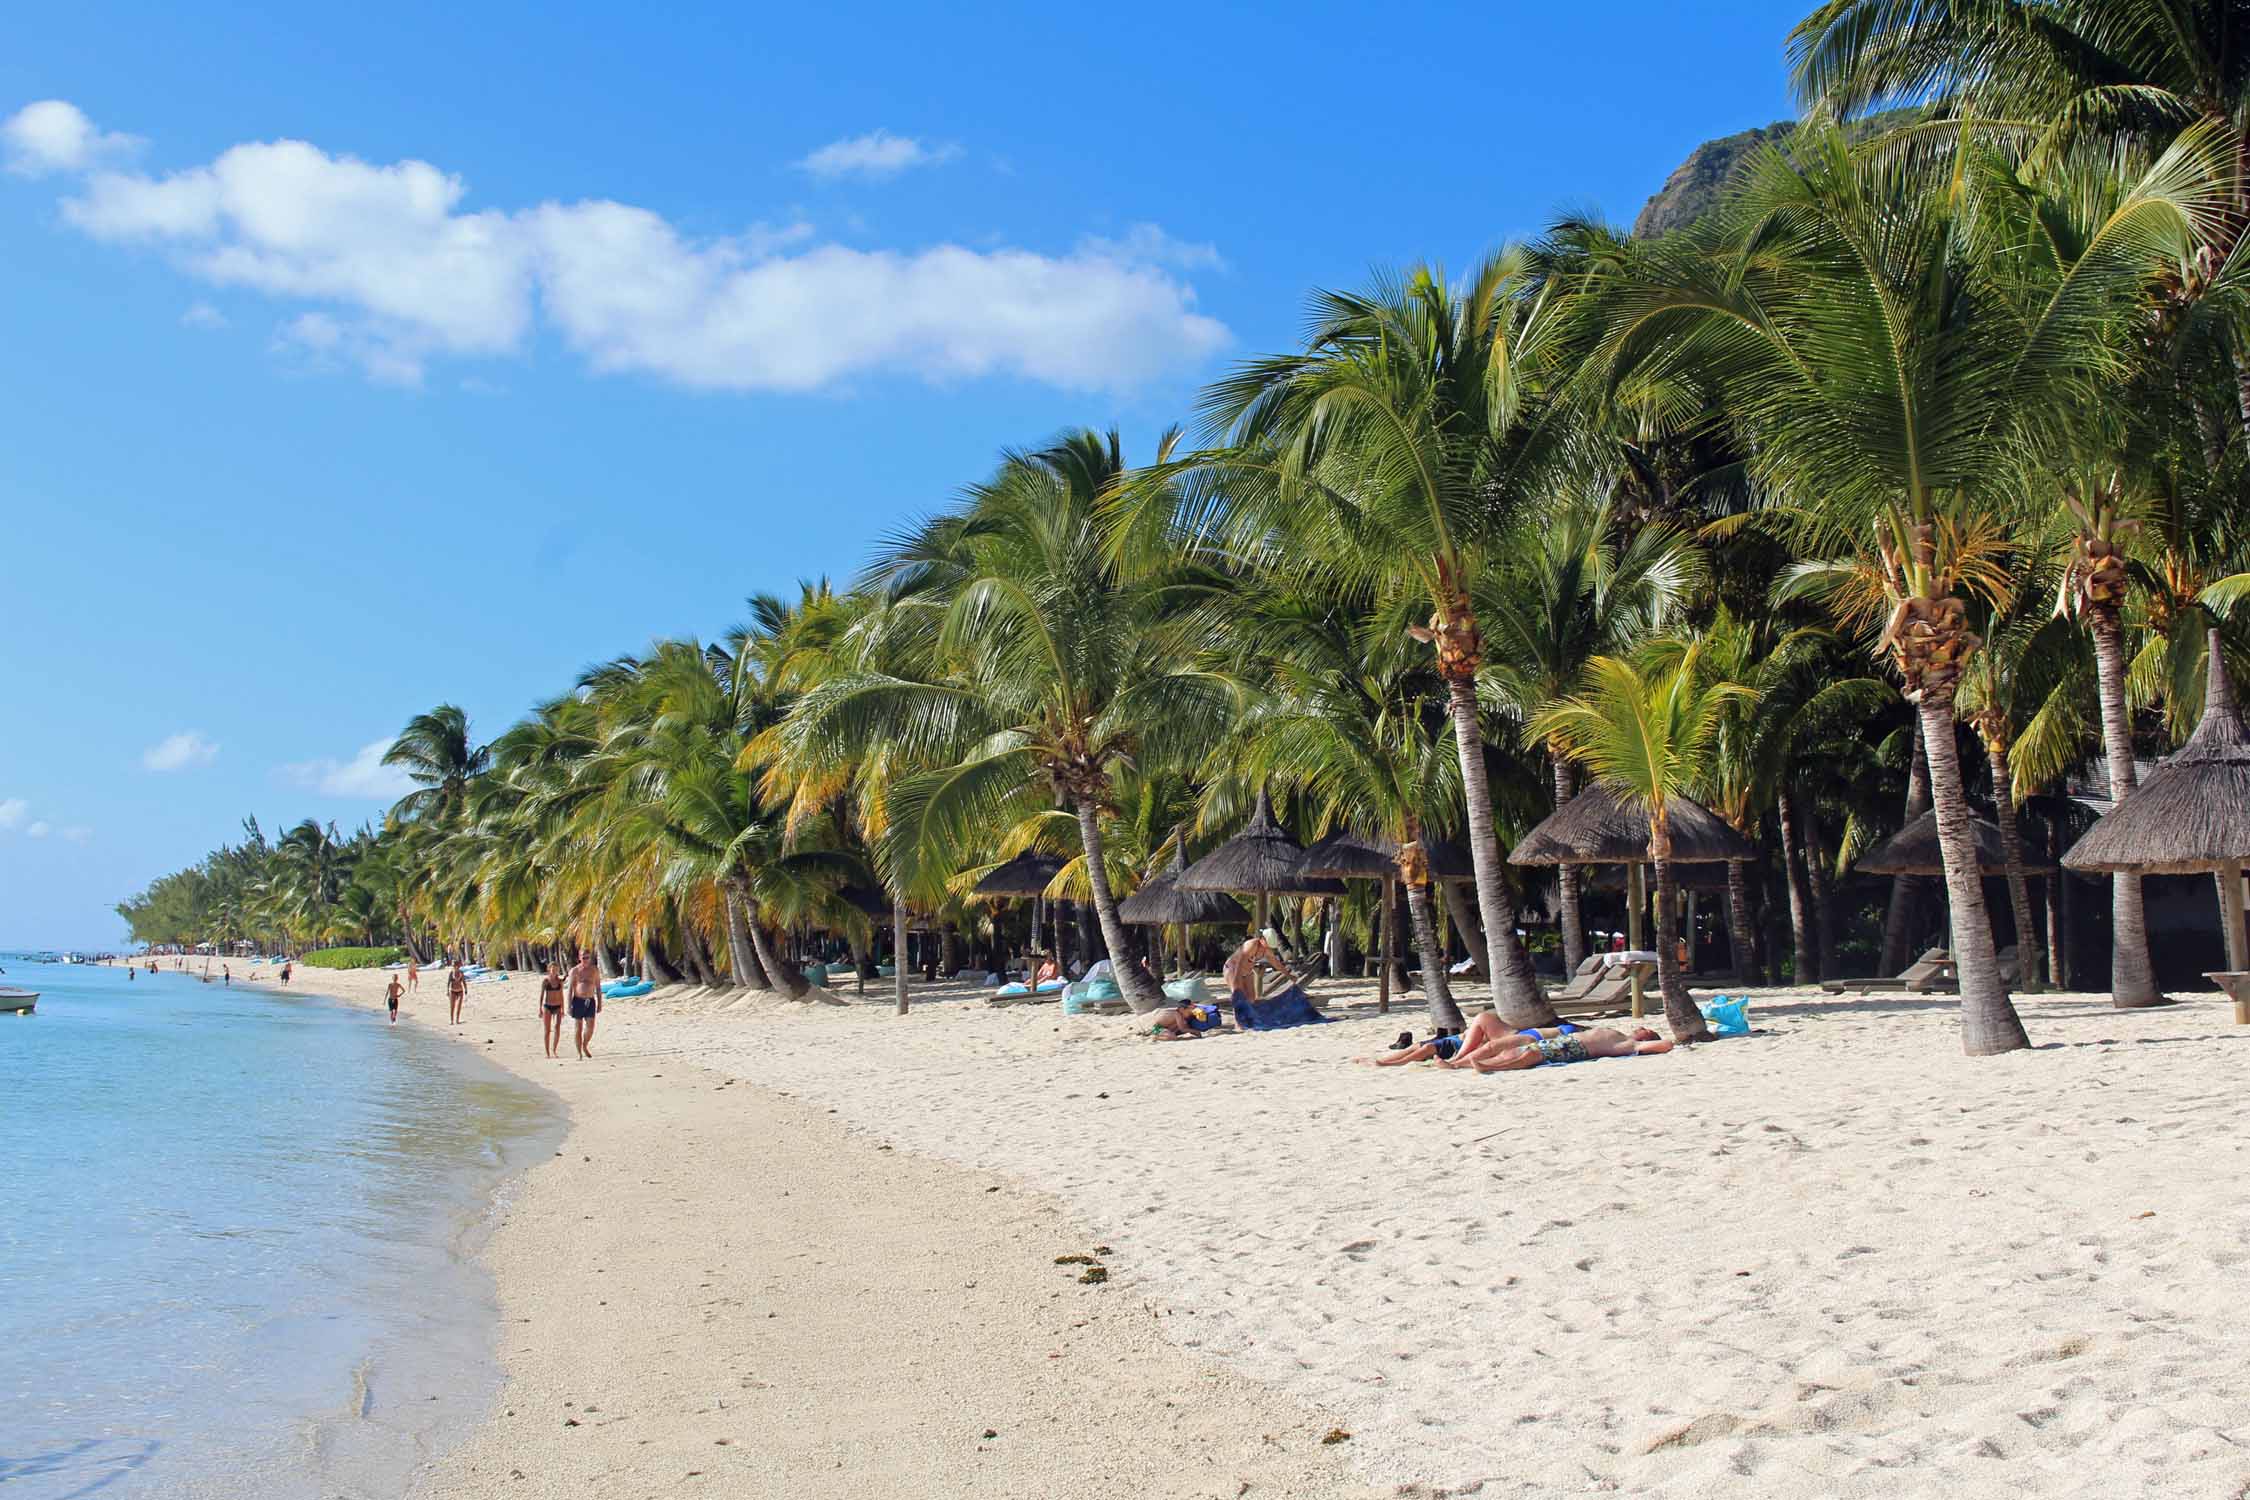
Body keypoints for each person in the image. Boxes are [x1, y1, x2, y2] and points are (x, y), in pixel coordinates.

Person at [1462, 1025, 1673, 1073]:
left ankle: (1492, 1068)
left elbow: (1666, 1045)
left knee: (1531, 1055)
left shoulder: (1631, 1044)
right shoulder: (1622, 1034)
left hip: (1575, 1048)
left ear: (1647, 1037)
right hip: (1568, 1041)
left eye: (1646, 1029)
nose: (1640, 1027)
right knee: (1515, 1052)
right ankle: (1478, 1064)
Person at [1223, 935, 1298, 1007]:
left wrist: (1289, 976)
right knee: (1239, 997)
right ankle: (1239, 1017)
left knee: (1251, 999)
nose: (1266, 948)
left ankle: (1249, 1016)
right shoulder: (1251, 945)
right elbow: (1239, 963)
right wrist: (1236, 981)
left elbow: (1276, 963)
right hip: (1233, 969)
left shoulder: (1267, 950)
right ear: (1262, 939)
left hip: (1246, 972)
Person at [565, 951, 602, 1059]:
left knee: (590, 1027)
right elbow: (570, 989)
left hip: (590, 1001)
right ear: (579, 958)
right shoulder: (575, 971)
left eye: (587, 957)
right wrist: (569, 1006)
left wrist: (600, 1003)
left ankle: (585, 1045)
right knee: (578, 1027)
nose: (586, 960)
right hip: (578, 1001)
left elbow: (598, 988)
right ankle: (579, 1052)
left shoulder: (594, 970)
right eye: (584, 957)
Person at [1147, 1001, 1223, 1040]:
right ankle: (1154, 1037)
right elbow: (1182, 1029)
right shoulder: (1176, 1014)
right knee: (1172, 1037)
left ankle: (1157, 1035)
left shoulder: (1183, 1015)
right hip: (1156, 1028)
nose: (1190, 1014)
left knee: (1176, 1031)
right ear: (1182, 1009)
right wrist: (1196, 1032)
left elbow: (1200, 1017)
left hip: (1166, 1028)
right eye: (1189, 1012)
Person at [538, 961, 566, 1059]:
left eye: (556, 969)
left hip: (558, 1006)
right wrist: (540, 1009)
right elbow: (542, 995)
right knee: (547, 1030)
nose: (554, 971)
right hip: (547, 1007)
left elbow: (561, 995)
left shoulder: (560, 981)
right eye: (552, 969)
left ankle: (554, 1050)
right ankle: (547, 1053)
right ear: (549, 970)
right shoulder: (546, 981)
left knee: (557, 1028)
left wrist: (563, 1009)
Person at [446, 962, 468, 1026]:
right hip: (453, 991)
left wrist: (466, 989)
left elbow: (464, 982)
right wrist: (447, 991)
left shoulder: (461, 973)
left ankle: (457, 1020)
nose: (456, 967)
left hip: (460, 991)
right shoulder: (451, 973)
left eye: (457, 966)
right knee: (452, 1006)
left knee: (459, 1006)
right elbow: (448, 982)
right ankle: (451, 1020)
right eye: (455, 966)